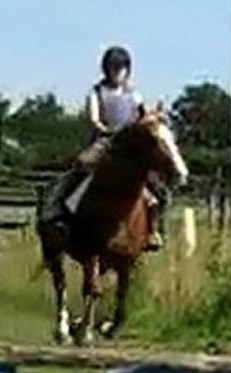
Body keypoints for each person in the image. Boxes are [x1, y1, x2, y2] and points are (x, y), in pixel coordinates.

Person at [39, 45, 167, 250]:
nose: (117, 72)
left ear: (127, 70)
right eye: (113, 68)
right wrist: (108, 130)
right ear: (106, 69)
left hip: (129, 148)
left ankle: (153, 229)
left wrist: (154, 119)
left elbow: (143, 119)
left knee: (154, 183)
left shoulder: (135, 95)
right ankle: (59, 212)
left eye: (121, 68)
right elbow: (94, 119)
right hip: (104, 141)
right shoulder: (96, 92)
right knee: (81, 166)